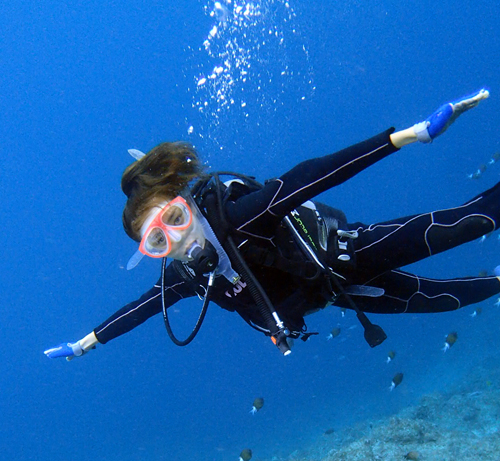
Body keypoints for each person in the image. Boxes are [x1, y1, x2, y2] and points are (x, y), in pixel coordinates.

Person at [45, 88, 500, 360]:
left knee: (467, 225)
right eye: (159, 240)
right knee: (444, 300)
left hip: (348, 251)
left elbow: (312, 175)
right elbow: (139, 310)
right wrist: (86, 343)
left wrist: (409, 135)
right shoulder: (187, 279)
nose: (179, 240)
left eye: (177, 218)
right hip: (340, 293)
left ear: (190, 206)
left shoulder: (240, 218)